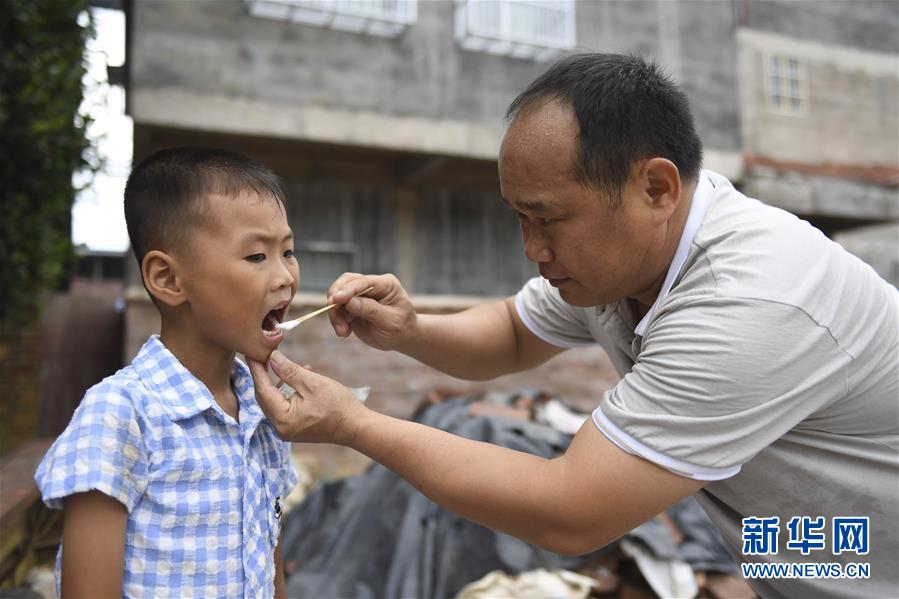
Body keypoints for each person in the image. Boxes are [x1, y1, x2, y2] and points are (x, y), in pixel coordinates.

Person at [249, 54, 898, 598]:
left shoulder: (751, 303)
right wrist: (411, 329)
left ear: (656, 188)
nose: (531, 247)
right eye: (518, 218)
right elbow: (510, 331)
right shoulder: (626, 259)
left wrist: (350, 423)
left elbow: (568, 510)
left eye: (547, 218)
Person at [36, 146, 299, 598]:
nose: (285, 277)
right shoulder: (120, 414)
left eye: (288, 252)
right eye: (257, 257)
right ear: (168, 279)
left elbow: (269, 566)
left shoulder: (264, 411)